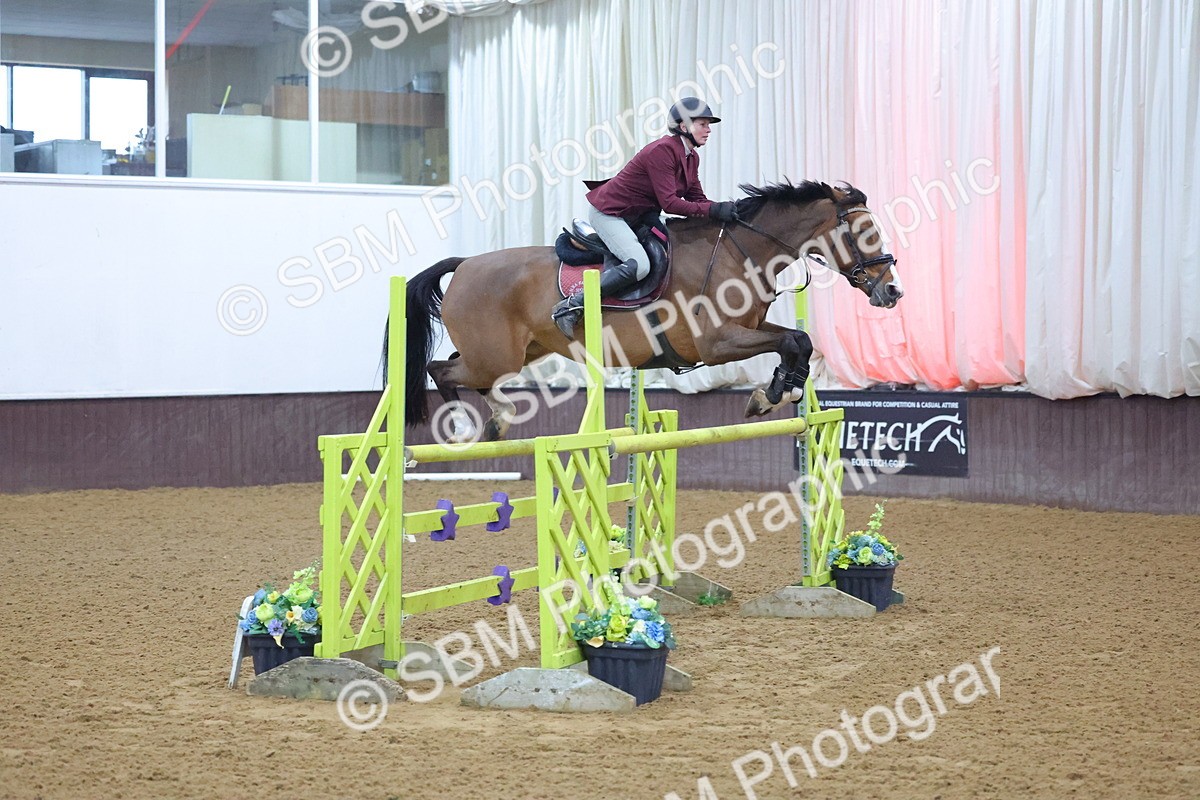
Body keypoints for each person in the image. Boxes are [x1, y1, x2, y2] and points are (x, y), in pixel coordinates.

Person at [550, 96, 739, 339]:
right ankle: (571, 306)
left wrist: (727, 212)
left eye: (708, 124)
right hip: (610, 213)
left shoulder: (692, 157)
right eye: (702, 123)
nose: (708, 129)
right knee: (639, 265)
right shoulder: (662, 151)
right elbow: (670, 203)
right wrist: (713, 210)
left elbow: (698, 199)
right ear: (683, 127)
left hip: (638, 216)